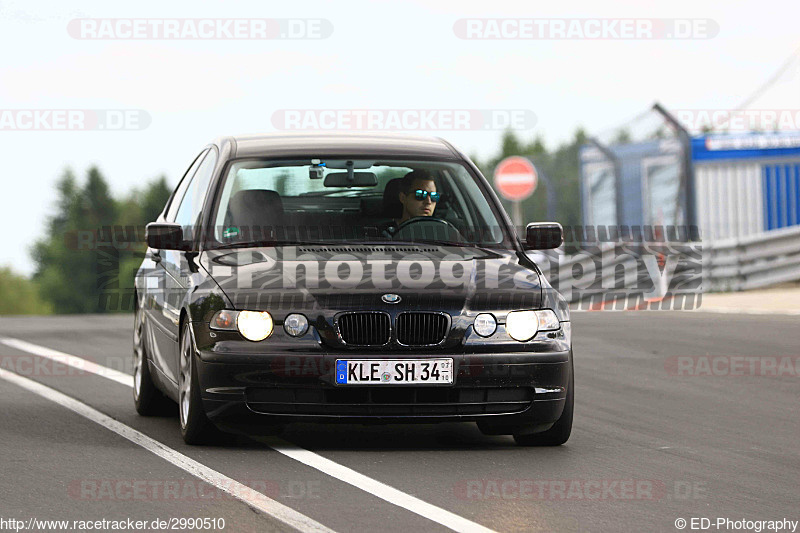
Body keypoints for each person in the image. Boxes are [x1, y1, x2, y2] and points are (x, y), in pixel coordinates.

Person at [381, 169, 440, 238]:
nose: (428, 202)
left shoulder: (442, 233)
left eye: (434, 196)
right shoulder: (382, 234)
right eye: (420, 194)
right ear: (403, 198)